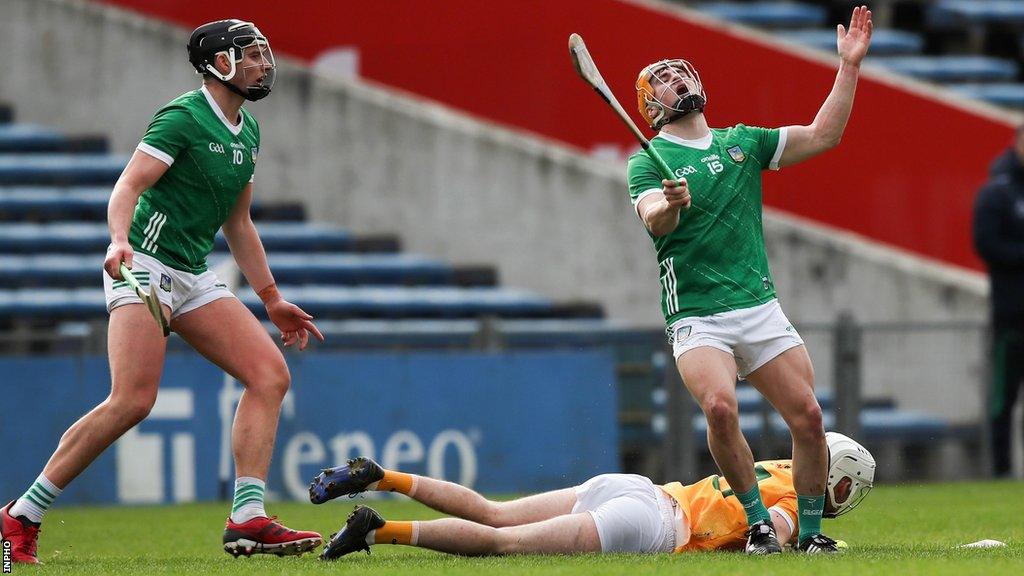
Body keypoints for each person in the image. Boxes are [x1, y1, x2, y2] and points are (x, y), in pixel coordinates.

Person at [0, 20, 325, 563]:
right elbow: (129, 185)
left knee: (270, 375)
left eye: (264, 53)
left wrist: (271, 299)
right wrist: (119, 240)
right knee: (132, 400)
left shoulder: (246, 131)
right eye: (250, 55)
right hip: (143, 264)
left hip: (192, 271)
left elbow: (238, 223)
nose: (262, 64)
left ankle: (247, 519)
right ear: (218, 62)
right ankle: (19, 516)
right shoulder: (183, 117)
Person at [623, 6, 873, 555]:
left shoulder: (742, 143)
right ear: (651, 108)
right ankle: (759, 523)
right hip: (696, 313)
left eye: (680, 73)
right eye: (664, 82)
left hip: (757, 306)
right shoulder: (649, 162)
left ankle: (809, 535)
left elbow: (823, 135)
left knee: (808, 417)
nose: (677, 82)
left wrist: (849, 67)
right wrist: (670, 203)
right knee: (719, 408)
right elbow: (651, 219)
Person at [310, 432, 874, 558]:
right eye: (846, 488)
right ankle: (380, 530)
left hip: (635, 491)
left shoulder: (776, 468)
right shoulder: (794, 507)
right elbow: (765, 543)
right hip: (651, 525)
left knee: (495, 512)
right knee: (503, 544)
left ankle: (385, 477)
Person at [973, 125, 1024, 478]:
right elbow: (986, 244)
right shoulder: (997, 192)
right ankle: (1001, 470)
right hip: (1012, 314)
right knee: (1003, 398)